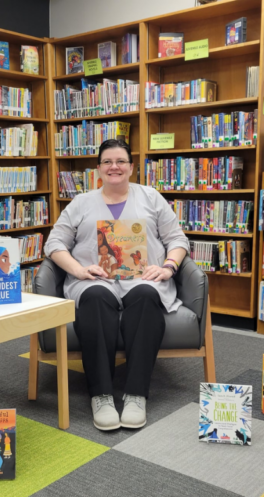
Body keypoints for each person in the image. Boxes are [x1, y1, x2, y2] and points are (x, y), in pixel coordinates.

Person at [43, 139, 190, 431]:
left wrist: (168, 268)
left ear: (132, 167)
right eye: (107, 162)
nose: (114, 167)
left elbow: (177, 239)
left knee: (147, 295)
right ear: (98, 169)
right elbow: (54, 243)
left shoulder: (151, 198)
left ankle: (136, 394)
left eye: (121, 161)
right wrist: (79, 269)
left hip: (143, 278)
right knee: (96, 297)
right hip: (95, 280)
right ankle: (102, 395)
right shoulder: (81, 202)